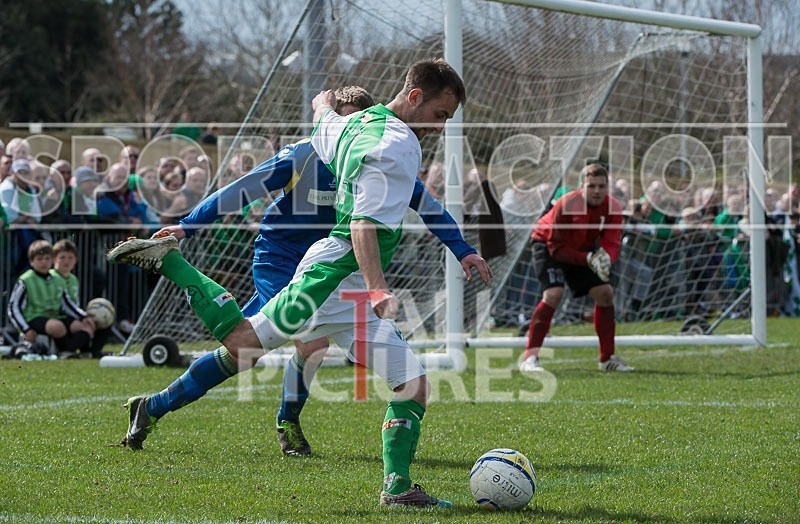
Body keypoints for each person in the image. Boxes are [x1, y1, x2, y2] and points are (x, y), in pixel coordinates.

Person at [108, 60, 485, 507]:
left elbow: (422, 201)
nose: (441, 128)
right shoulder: (336, 150)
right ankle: (172, 275)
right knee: (249, 347)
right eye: (441, 116)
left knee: (408, 382)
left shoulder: (358, 139)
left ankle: (392, 485)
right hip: (296, 264)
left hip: (346, 278)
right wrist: (189, 225)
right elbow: (243, 190)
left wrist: (462, 249)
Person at [519, 163, 633, 373]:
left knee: (605, 293)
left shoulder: (613, 207)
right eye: (591, 186)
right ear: (582, 186)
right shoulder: (568, 203)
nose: (597, 191)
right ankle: (530, 358)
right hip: (548, 244)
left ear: (607, 187)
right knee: (553, 294)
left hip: (581, 249)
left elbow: (612, 242)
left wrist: (607, 257)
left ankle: (607, 359)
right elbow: (556, 249)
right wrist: (588, 258)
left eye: (601, 186)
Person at [7, 240, 91, 355]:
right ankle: (64, 350)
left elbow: (67, 303)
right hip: (34, 318)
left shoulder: (57, 279)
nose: (44, 263)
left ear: (52, 260)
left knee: (81, 326)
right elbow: (13, 307)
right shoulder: (25, 280)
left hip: (54, 317)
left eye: (47, 259)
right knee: (56, 326)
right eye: (39, 259)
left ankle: (74, 351)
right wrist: (26, 329)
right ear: (31, 262)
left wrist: (84, 316)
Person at [50, 239, 110, 358]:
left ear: (76, 260)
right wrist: (82, 317)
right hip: (57, 316)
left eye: (70, 257)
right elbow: (64, 304)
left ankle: (91, 351)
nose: (66, 261)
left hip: (72, 314)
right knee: (83, 325)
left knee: (105, 317)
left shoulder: (73, 279)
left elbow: (74, 303)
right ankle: (67, 351)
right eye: (62, 257)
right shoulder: (52, 277)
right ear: (54, 259)